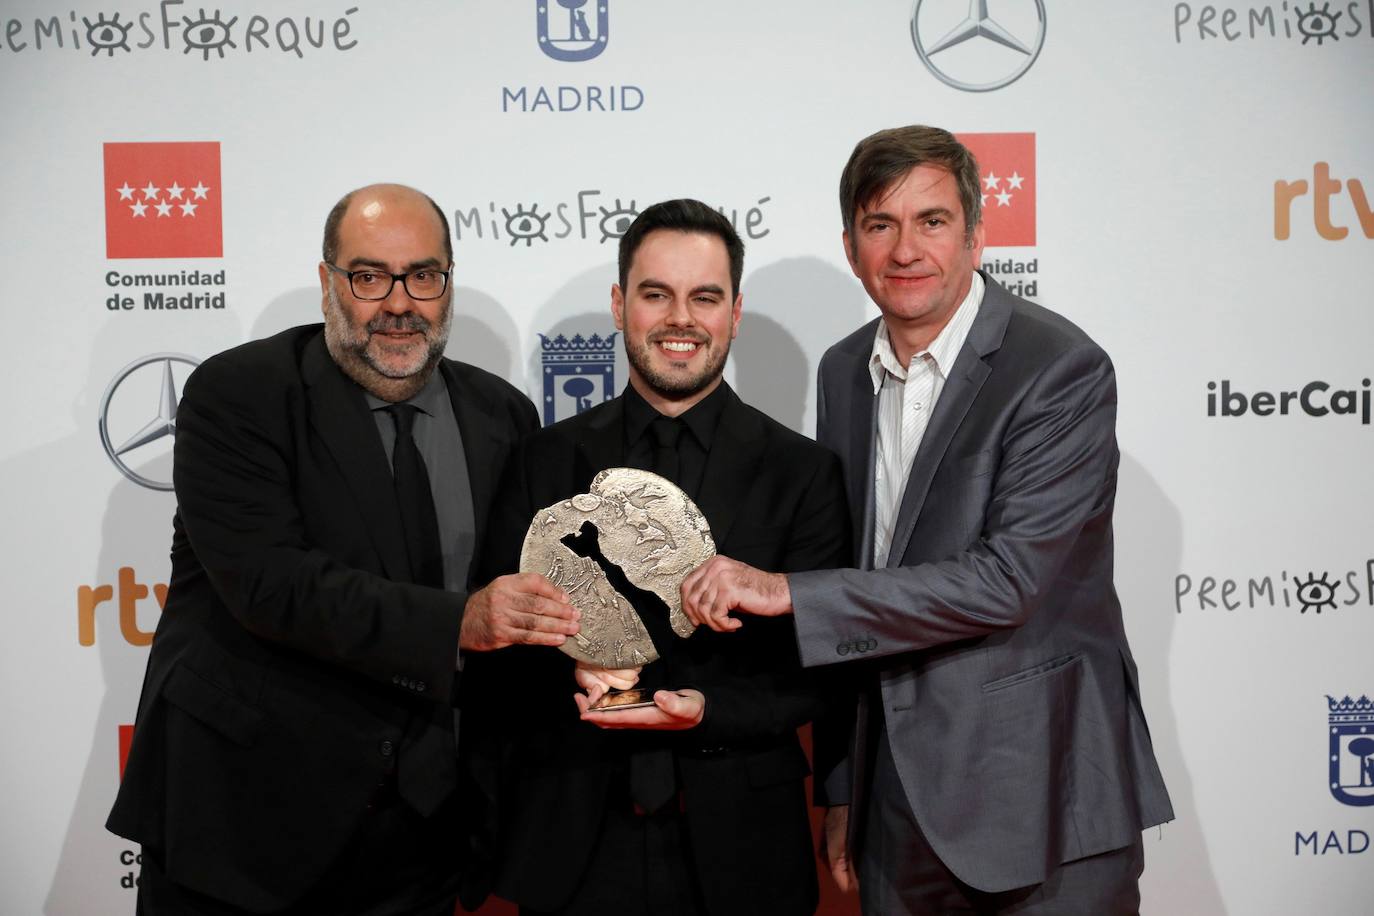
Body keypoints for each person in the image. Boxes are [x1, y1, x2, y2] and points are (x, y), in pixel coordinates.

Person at [681, 126, 1174, 914]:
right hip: (894, 807)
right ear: (851, 247)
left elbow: (1007, 583)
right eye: (881, 225)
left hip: (1038, 797)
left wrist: (791, 593)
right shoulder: (843, 369)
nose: (906, 250)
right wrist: (842, 785)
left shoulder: (1058, 369)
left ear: (977, 234)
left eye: (932, 221)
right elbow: (862, 566)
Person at [107, 183, 579, 916]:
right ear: (327, 284)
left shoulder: (503, 415)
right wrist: (461, 622)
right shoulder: (240, 395)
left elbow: (525, 602)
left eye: (424, 276)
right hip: (245, 832)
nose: (399, 302)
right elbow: (272, 584)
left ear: (449, 285)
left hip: (422, 838)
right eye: (369, 277)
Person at [470, 199, 850, 916]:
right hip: (572, 839)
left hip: (742, 847)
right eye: (656, 294)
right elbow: (492, 648)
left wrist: (705, 708)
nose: (681, 319)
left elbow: (820, 676)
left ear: (735, 312)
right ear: (619, 305)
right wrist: (566, 662)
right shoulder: (539, 463)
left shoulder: (803, 473)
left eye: (704, 297)